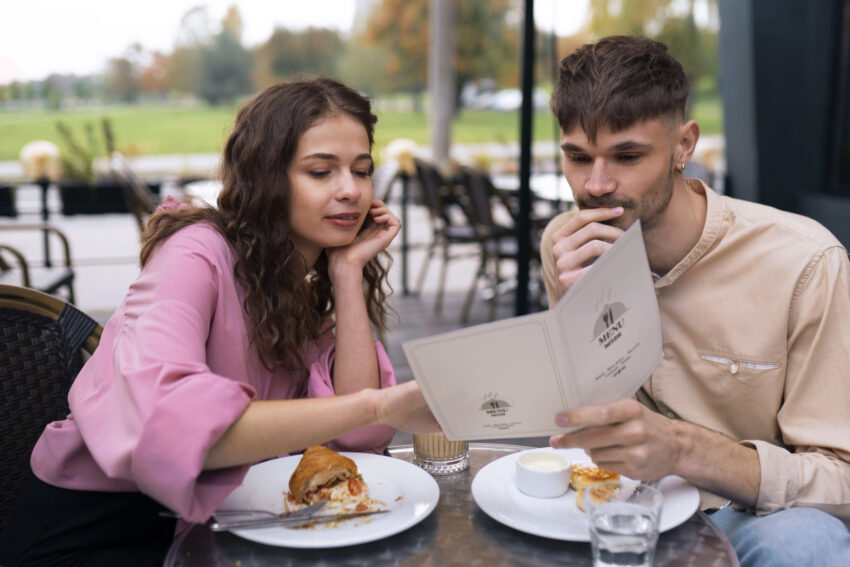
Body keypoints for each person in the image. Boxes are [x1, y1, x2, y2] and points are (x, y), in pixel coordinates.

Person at [0, 78, 438, 566]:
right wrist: (378, 406)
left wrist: (347, 272)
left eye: (362, 170)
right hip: (98, 530)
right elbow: (175, 425)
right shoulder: (195, 254)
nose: (351, 191)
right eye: (321, 172)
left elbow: (360, 437)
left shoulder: (301, 280)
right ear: (266, 177)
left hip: (221, 526)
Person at [541, 35, 850, 566]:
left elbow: (841, 481)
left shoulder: (805, 262)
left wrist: (686, 449)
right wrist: (577, 315)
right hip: (613, 504)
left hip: (746, 515)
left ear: (684, 146)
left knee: (809, 545)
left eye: (627, 156)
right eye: (577, 157)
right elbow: (578, 423)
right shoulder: (565, 243)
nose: (594, 185)